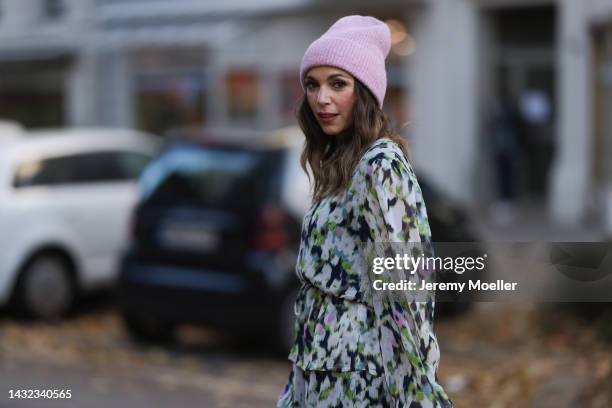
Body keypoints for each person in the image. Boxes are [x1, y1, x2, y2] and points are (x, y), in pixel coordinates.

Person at [276, 15, 453, 407]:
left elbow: (408, 287)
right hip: (319, 369)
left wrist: (420, 390)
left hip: (359, 379)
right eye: (313, 84)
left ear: (366, 92)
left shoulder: (381, 164)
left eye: (338, 84)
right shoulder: (337, 163)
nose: (322, 97)